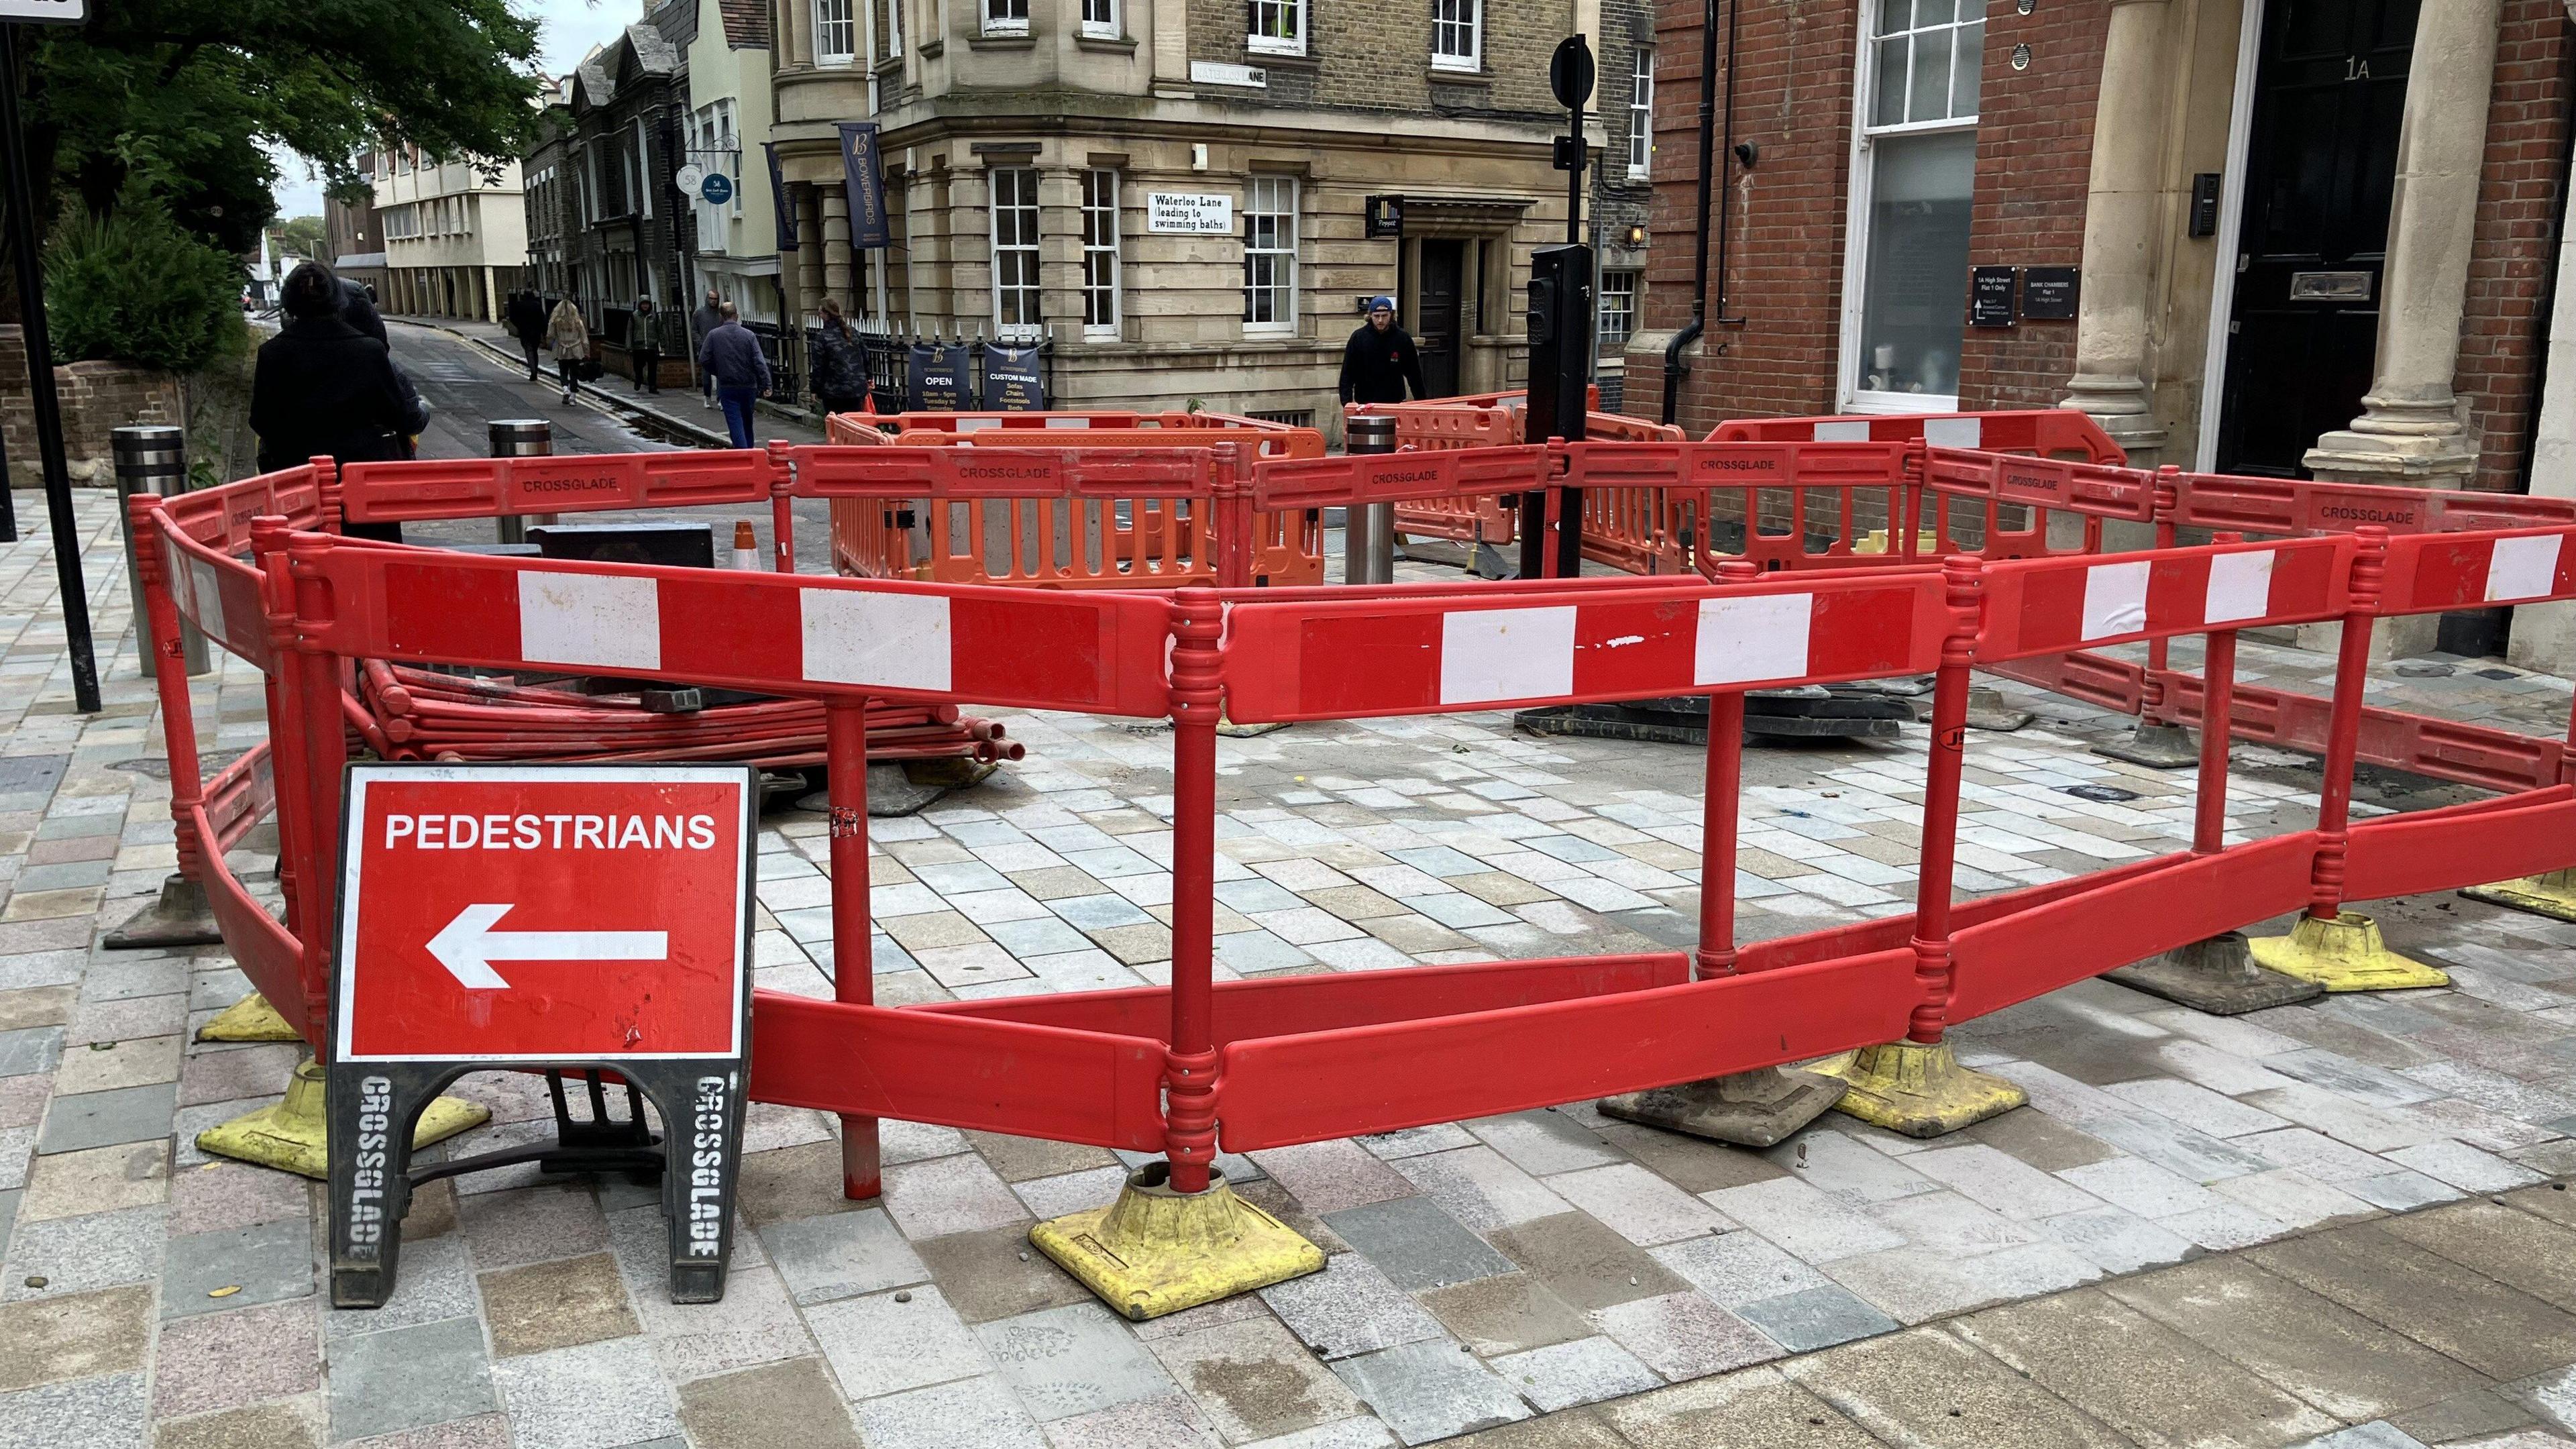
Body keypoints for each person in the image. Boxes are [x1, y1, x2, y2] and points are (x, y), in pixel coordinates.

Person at [250, 262, 430, 543]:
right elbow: (398, 415)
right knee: (372, 560)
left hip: (300, 484)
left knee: (309, 562)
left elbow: (261, 420)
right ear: (337, 300)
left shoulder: (272, 353)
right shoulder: (369, 351)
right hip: (365, 485)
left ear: (289, 304)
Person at [697, 301, 771, 448]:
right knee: (747, 423)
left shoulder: (714, 335)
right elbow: (759, 362)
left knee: (735, 423)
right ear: (736, 316)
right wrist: (766, 384)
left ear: (721, 317)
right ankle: (750, 453)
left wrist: (718, 371)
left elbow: (704, 359)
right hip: (748, 385)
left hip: (728, 386)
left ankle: (743, 455)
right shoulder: (749, 335)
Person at [1337, 295, 1430, 405]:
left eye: (1384, 316)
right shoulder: (1358, 338)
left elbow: (1414, 374)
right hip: (1365, 402)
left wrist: (1422, 402)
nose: (1380, 320)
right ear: (1370, 316)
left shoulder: (1403, 338)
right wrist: (1347, 403)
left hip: (1394, 401)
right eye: (1377, 316)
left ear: (1391, 315)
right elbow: (1347, 373)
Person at [810, 297, 868, 418]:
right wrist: (869, 377)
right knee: (855, 426)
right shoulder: (853, 332)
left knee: (836, 428)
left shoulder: (822, 338)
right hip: (856, 388)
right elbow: (865, 355)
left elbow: (818, 366)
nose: (819, 314)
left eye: (820, 312)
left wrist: (815, 389)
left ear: (826, 314)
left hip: (833, 392)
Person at [548, 295, 591, 404]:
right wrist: (587, 352)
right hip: (576, 350)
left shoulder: (556, 321)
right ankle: (573, 398)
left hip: (562, 349)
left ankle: (565, 389)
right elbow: (584, 338)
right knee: (574, 373)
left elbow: (550, 335)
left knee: (563, 372)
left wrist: (551, 342)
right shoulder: (578, 322)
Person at [691, 288, 724, 410]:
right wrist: (701, 343)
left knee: (721, 375)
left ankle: (721, 400)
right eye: (711, 298)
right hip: (705, 348)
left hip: (719, 348)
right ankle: (707, 397)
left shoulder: (721, 314)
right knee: (706, 376)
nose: (713, 301)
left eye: (716, 299)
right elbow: (694, 331)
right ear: (707, 298)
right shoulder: (699, 314)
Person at [506, 289, 549, 381]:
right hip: (536, 332)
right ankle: (535, 371)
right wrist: (544, 332)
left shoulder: (519, 305)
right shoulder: (537, 305)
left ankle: (533, 371)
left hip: (524, 331)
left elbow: (512, 317)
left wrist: (519, 326)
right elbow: (543, 319)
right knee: (534, 351)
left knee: (529, 350)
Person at [633, 297, 663, 394]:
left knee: (652, 368)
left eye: (647, 304)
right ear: (640, 305)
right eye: (643, 304)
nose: (645, 306)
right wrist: (628, 345)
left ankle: (652, 386)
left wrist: (663, 343)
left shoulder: (655, 316)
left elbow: (660, 330)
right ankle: (639, 379)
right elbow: (630, 330)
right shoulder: (634, 316)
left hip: (652, 346)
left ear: (650, 304)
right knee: (638, 366)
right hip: (639, 346)